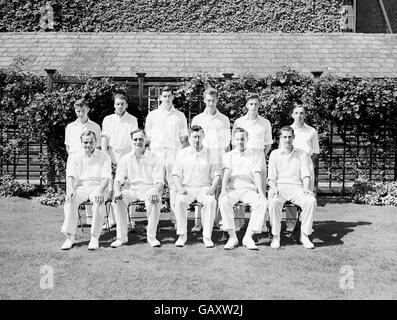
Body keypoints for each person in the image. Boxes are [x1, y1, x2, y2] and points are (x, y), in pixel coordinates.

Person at [111, 129, 164, 248]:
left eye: (141, 139)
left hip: (149, 189)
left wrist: (155, 191)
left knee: (154, 199)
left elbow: (160, 181)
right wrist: (117, 190)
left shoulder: (155, 158)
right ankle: (122, 238)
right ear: (131, 141)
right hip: (132, 189)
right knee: (118, 199)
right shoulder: (125, 159)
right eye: (135, 139)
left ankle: (151, 237)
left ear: (145, 140)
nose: (138, 141)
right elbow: (118, 179)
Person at [145, 86, 189, 227]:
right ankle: (153, 221)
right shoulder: (152, 115)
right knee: (156, 186)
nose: (167, 98)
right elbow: (148, 138)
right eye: (164, 96)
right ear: (160, 98)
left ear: (173, 97)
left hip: (173, 154)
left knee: (174, 187)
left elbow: (183, 139)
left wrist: (182, 157)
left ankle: (176, 220)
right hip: (156, 155)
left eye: (169, 96)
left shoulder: (180, 116)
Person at [267, 126, 317, 249]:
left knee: (311, 201)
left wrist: (306, 188)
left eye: (289, 137)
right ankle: (276, 236)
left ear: (294, 137)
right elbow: (271, 178)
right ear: (280, 138)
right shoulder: (274, 154)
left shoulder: (302, 154)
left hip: (297, 188)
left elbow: (306, 174)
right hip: (280, 188)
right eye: (284, 137)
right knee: (273, 202)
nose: (287, 140)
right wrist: (273, 188)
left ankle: (304, 235)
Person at [218, 127, 268, 250]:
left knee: (262, 202)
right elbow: (226, 173)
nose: (240, 141)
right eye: (238, 139)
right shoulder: (228, 155)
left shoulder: (254, 155)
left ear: (247, 139)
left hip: (248, 188)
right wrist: (223, 190)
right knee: (224, 201)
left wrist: (261, 192)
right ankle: (232, 237)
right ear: (234, 141)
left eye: (242, 139)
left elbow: (257, 174)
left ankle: (248, 237)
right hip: (233, 188)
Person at [61, 130, 111, 250]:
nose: (88, 145)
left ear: (96, 142)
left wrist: (100, 191)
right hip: (81, 187)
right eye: (85, 142)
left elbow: (106, 178)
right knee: (69, 200)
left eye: (91, 142)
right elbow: (70, 176)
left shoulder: (104, 156)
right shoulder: (74, 156)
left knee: (99, 201)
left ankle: (94, 237)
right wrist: (71, 190)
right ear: (81, 142)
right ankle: (70, 237)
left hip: (98, 186)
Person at [172, 125, 221, 248]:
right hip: (187, 188)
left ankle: (207, 237)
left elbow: (216, 174)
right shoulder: (182, 153)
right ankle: (182, 236)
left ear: (203, 137)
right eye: (194, 137)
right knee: (179, 200)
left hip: (204, 188)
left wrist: (213, 186)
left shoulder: (210, 153)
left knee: (211, 201)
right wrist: (179, 188)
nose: (196, 140)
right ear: (189, 138)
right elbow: (175, 174)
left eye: (199, 136)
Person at [190, 87, 231, 232]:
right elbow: (194, 140)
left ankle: (217, 221)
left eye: (213, 100)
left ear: (217, 100)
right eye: (208, 100)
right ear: (204, 100)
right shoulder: (197, 119)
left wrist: (223, 159)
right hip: (202, 158)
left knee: (218, 189)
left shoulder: (224, 119)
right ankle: (198, 223)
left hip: (219, 158)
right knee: (202, 186)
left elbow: (227, 143)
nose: (211, 103)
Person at [232, 94, 273, 231]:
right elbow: (234, 143)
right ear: (246, 105)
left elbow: (268, 144)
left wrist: (260, 157)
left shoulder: (265, 122)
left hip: (259, 155)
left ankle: (261, 223)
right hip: (243, 156)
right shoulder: (239, 122)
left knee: (260, 190)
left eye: (256, 104)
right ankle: (239, 222)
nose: (253, 107)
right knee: (240, 187)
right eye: (251, 104)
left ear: (259, 105)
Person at [101, 94, 138, 229]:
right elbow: (104, 139)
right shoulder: (108, 119)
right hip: (112, 155)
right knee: (111, 188)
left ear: (126, 105)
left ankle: (130, 220)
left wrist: (133, 158)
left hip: (128, 155)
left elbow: (135, 139)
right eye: (118, 104)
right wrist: (106, 157)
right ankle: (111, 219)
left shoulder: (132, 120)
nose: (120, 106)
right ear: (114, 105)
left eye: (122, 104)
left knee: (128, 187)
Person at [64, 99, 102, 224]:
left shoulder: (95, 126)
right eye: (78, 111)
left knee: (90, 186)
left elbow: (98, 145)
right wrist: (75, 159)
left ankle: (92, 221)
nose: (80, 114)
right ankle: (72, 223)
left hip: (91, 160)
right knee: (74, 191)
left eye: (83, 111)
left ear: (88, 110)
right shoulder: (70, 127)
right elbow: (68, 146)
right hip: (75, 161)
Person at [285, 105, 320, 231]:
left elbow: (315, 152)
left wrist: (309, 168)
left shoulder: (311, 131)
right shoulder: (287, 131)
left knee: (307, 196)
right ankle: (290, 224)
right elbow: (282, 150)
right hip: (291, 167)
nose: (299, 115)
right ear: (292, 115)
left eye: (301, 113)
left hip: (307, 167)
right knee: (290, 195)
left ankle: (306, 226)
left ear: (305, 115)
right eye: (296, 113)